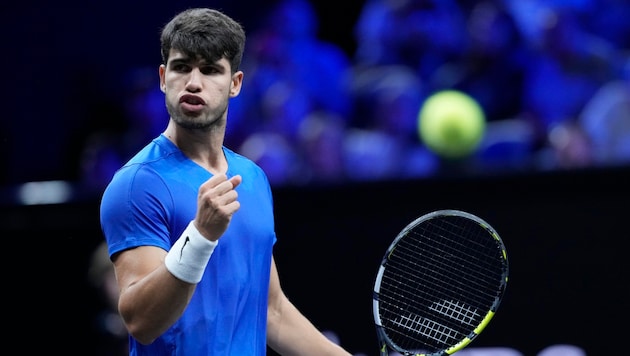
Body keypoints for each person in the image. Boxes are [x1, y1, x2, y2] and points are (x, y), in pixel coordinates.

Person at [99, 8, 352, 355]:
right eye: (181, 67)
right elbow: (142, 323)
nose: (193, 82)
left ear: (235, 84)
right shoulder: (136, 185)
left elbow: (271, 312)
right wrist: (200, 235)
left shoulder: (252, 178)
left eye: (210, 69)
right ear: (163, 77)